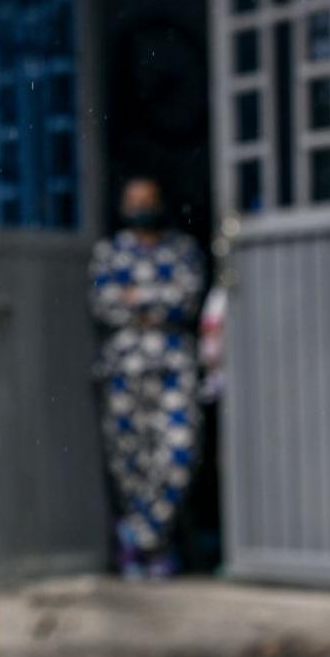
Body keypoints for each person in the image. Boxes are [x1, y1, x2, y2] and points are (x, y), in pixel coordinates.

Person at [89, 177, 205, 579]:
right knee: (130, 464)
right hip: (124, 370)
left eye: (148, 201)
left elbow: (187, 298)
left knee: (178, 455)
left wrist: (137, 299)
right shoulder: (111, 253)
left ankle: (138, 538)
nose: (141, 207)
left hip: (173, 367)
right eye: (133, 200)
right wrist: (156, 299)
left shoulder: (181, 250)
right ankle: (151, 554)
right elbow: (105, 304)